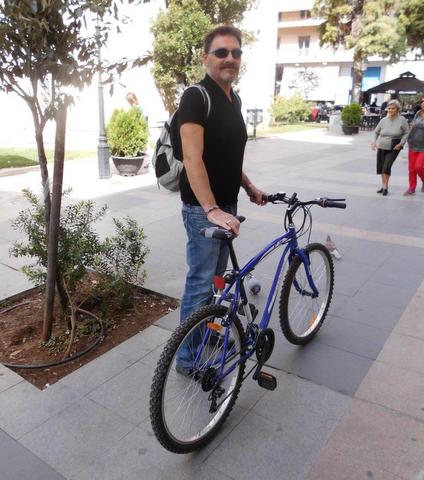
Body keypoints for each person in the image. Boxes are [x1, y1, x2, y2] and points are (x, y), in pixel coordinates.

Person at [176, 26, 266, 371]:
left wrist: (248, 185)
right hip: (203, 209)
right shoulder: (196, 97)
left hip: (226, 206)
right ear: (206, 58)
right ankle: (186, 357)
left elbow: (228, 155)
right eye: (222, 52)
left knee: (216, 279)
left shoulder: (234, 99)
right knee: (201, 281)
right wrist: (211, 208)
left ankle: (205, 331)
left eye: (236, 53)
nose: (230, 58)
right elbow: (192, 157)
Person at [371, 99, 408, 196]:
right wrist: (374, 142)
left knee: (386, 166)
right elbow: (376, 132)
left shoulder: (402, 120)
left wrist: (401, 143)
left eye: (393, 108)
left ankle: (385, 187)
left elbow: (406, 133)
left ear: (397, 109)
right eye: (389, 108)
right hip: (382, 146)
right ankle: (384, 186)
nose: (390, 110)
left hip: (394, 146)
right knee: (381, 167)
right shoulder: (383, 120)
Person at [404, 96, 424, 195]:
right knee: (411, 168)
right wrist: (407, 138)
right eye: (423, 101)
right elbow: (412, 126)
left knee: (418, 167)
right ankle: (412, 187)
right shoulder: (418, 113)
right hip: (413, 144)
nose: (423, 103)